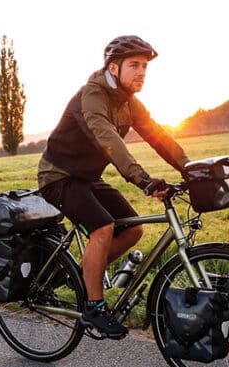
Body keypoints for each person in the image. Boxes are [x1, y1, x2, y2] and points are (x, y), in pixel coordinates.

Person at [37, 35, 190, 339]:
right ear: (113, 67)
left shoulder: (128, 102)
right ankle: (94, 306)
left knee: (133, 229)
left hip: (88, 178)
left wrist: (190, 168)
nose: (141, 72)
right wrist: (143, 179)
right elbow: (109, 140)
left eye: (145, 66)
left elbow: (158, 135)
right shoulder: (91, 96)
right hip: (58, 176)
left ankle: (82, 273)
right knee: (103, 228)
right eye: (134, 65)